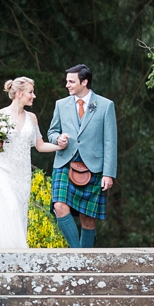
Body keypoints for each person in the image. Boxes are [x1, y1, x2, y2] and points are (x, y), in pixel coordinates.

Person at [0, 77, 66, 248]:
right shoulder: (0, 115)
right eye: (31, 92)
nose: (34, 96)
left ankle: (13, 255)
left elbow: (40, 145)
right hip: (3, 170)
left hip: (23, 174)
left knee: (20, 211)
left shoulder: (32, 118)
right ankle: (13, 250)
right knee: (10, 205)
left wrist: (60, 146)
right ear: (19, 94)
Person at [47, 64, 117, 248]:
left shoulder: (105, 105)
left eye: (71, 81)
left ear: (84, 82)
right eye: (67, 81)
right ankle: (77, 256)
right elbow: (52, 132)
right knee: (59, 206)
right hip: (65, 162)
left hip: (93, 167)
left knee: (88, 219)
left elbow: (110, 141)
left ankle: (86, 260)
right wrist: (58, 139)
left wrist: (108, 174)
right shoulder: (61, 105)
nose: (67, 85)